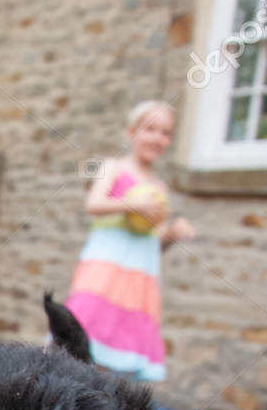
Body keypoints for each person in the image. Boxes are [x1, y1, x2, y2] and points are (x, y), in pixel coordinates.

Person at [64, 100, 194, 382]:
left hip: (140, 275)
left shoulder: (159, 188)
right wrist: (131, 205)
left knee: (122, 350)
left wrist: (173, 234)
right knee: (84, 332)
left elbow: (156, 241)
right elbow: (94, 203)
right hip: (107, 266)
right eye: (150, 129)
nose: (158, 138)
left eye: (166, 133)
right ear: (132, 132)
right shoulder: (114, 168)